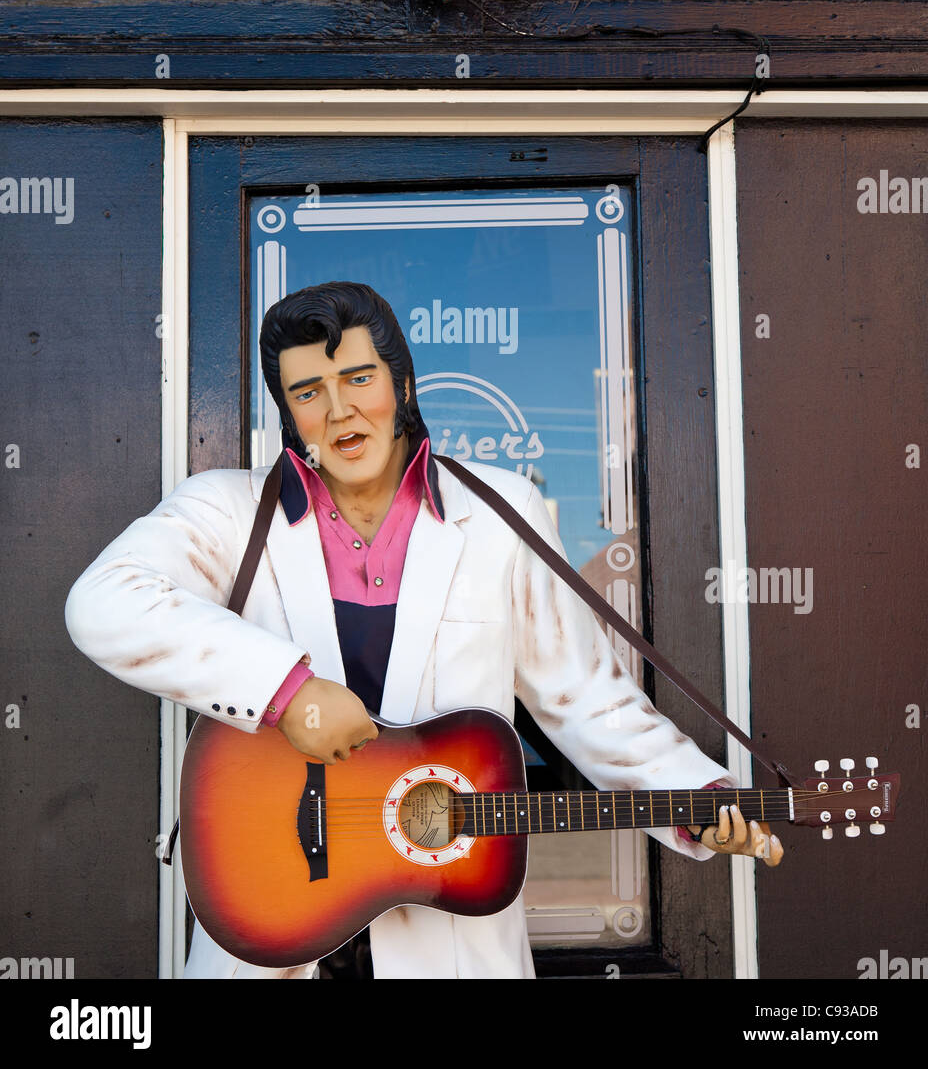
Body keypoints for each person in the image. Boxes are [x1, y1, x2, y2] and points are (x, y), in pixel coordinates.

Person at [65, 281, 782, 979]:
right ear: (287, 412)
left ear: (403, 384)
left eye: (358, 378)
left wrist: (699, 796)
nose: (340, 410)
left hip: (451, 943)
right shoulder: (226, 511)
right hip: (270, 928)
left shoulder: (504, 510)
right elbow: (103, 601)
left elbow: (586, 698)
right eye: (309, 392)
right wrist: (288, 692)